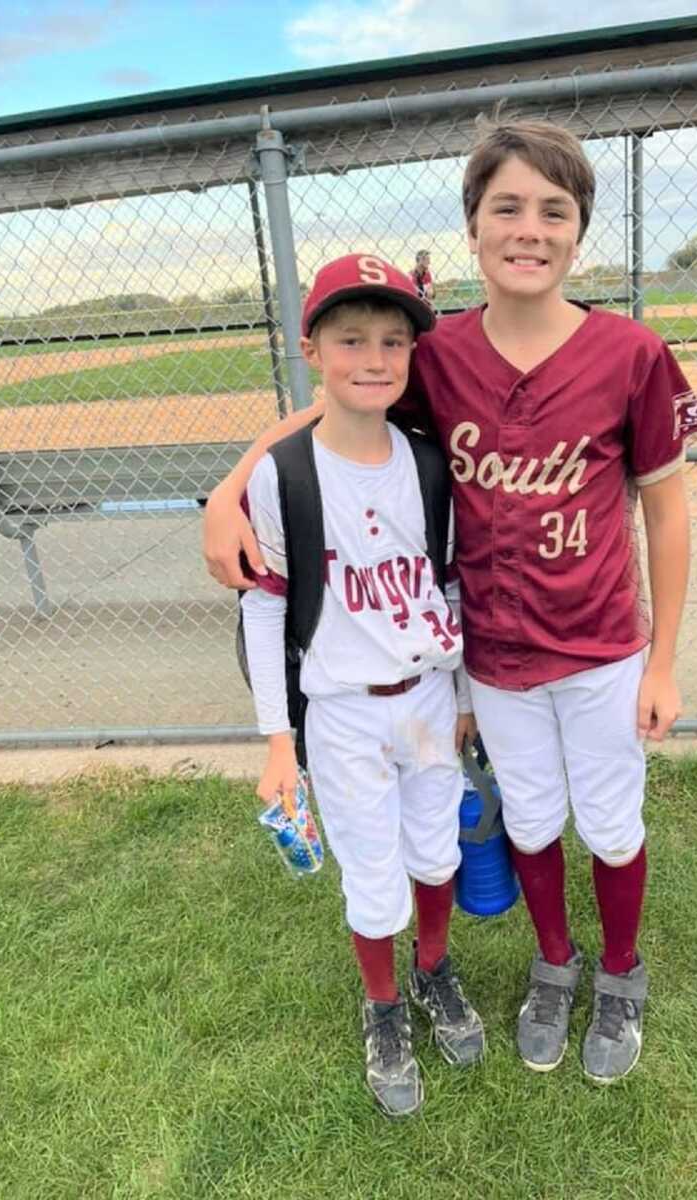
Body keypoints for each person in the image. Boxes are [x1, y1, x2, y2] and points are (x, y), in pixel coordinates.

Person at [205, 117, 697, 1085]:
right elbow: (339, 394)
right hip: (492, 655)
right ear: (473, 229)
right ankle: (553, 965)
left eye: (554, 210)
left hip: (601, 644)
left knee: (609, 821)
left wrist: (667, 657)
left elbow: (667, 509)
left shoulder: (631, 353)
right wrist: (232, 488)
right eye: (506, 207)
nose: (530, 228)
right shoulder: (438, 358)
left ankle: (620, 971)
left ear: (578, 231)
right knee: (527, 821)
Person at [240, 253, 484, 1118]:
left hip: (421, 700)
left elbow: (446, 586)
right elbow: (264, 609)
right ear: (314, 350)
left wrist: (457, 699)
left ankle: (432, 968)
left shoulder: (425, 464)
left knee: (436, 846)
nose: (374, 359)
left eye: (393, 341)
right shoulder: (284, 473)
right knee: (373, 871)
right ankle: (382, 1005)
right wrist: (279, 740)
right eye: (351, 340)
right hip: (343, 714)